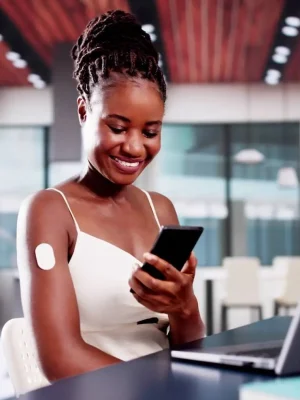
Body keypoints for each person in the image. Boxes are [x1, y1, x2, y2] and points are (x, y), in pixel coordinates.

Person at [16, 9, 205, 383]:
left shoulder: (160, 209)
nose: (135, 147)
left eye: (150, 132)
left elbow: (191, 349)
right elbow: (60, 360)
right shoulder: (51, 211)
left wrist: (184, 309)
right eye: (118, 127)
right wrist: (163, 388)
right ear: (84, 111)